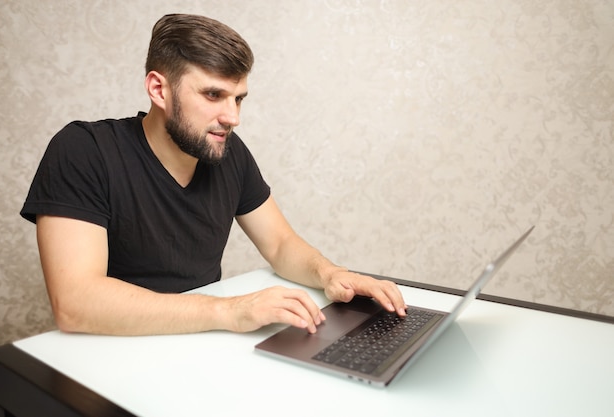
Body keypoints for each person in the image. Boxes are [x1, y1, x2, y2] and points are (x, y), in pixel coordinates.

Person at [20, 14, 407, 336]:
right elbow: (75, 303)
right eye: (213, 95)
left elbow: (280, 245)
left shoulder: (227, 151)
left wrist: (331, 274)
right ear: (158, 89)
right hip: (111, 351)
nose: (233, 117)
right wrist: (230, 312)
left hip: (199, 344)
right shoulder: (83, 150)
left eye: (238, 98)